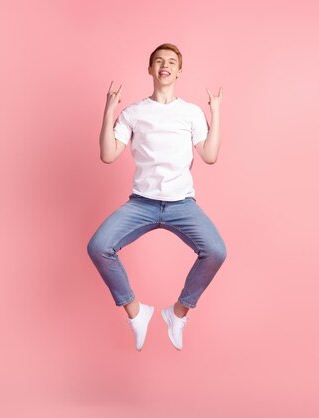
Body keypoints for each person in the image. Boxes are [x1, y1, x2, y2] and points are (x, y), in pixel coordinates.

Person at [87, 43, 227, 351]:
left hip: (182, 205)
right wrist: (109, 110)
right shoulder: (134, 113)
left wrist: (215, 113)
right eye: (159, 61)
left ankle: (178, 314)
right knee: (99, 246)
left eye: (172, 61)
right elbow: (108, 155)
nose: (165, 65)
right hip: (142, 203)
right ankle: (136, 313)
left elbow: (210, 155)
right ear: (150, 69)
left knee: (216, 251)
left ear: (179, 71)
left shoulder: (190, 113)